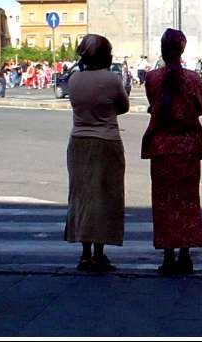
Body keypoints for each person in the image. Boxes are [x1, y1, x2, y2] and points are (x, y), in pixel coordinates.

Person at [141, 29, 202, 275]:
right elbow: (199, 108)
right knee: (188, 201)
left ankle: (168, 256)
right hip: (187, 146)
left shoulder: (152, 78)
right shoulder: (193, 78)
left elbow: (153, 104)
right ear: (182, 49)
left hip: (161, 146)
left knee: (164, 202)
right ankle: (186, 255)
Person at [64, 34, 130, 272]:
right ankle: (100, 255)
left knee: (82, 196)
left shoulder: (74, 80)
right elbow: (123, 106)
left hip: (79, 142)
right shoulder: (112, 79)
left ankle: (84, 254)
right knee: (105, 197)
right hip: (107, 142)